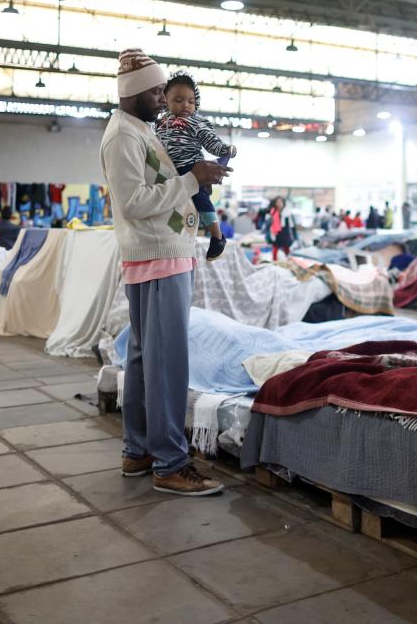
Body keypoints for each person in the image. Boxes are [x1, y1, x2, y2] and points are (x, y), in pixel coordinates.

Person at [102, 48, 228, 497]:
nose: (162, 98)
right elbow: (134, 203)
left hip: (160, 252)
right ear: (133, 93)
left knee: (142, 358)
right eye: (156, 91)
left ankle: (138, 451)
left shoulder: (139, 130)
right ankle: (171, 463)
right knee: (166, 360)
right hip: (159, 255)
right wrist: (194, 179)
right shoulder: (123, 137)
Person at [156, 73, 237, 262]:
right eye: (179, 100)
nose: (186, 105)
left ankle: (217, 237)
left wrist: (224, 149)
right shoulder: (159, 124)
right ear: (165, 101)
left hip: (191, 166)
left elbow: (210, 140)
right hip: (168, 170)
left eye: (191, 101)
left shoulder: (195, 122)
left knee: (200, 200)